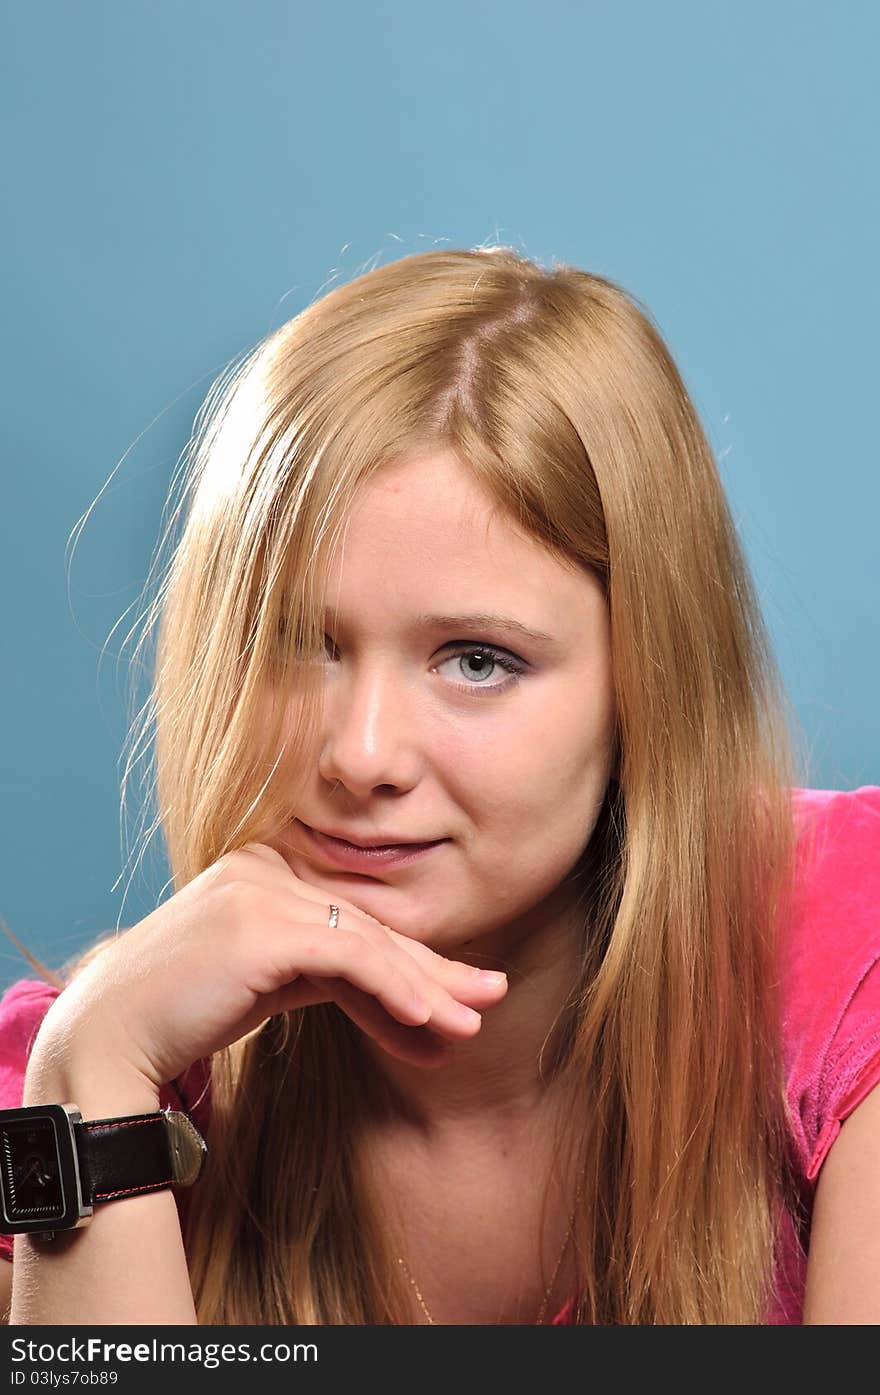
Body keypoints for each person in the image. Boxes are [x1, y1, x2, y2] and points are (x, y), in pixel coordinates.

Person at [1, 246, 879, 1326]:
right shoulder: (81, 1076)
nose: (361, 755)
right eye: (293, 641)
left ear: (647, 683)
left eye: (476, 660)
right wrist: (97, 1062)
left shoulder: (848, 951)